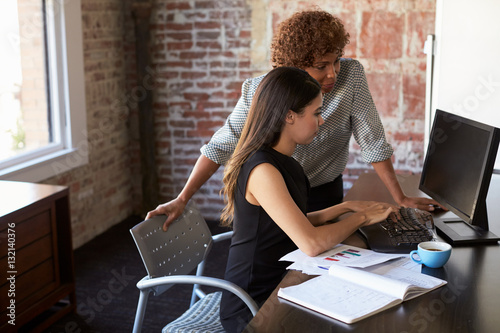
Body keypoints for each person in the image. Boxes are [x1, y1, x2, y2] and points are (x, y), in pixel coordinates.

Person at [146, 9, 440, 230]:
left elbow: (372, 139)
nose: (333, 73)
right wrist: (183, 198)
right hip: (277, 197)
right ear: (292, 67)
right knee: (283, 275)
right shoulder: (262, 90)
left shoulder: (351, 77)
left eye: (336, 59)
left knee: (324, 267)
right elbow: (222, 144)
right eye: (320, 66)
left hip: (325, 190)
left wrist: (400, 197)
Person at [218, 66, 397, 332]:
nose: (322, 120)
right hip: (254, 306)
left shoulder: (285, 162)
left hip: (283, 280)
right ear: (290, 116)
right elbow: (311, 244)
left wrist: (344, 207)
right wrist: (362, 217)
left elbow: (288, 223)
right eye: (316, 113)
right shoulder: (263, 170)